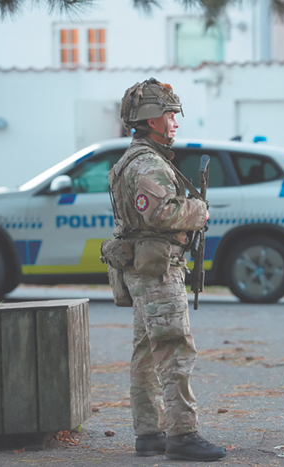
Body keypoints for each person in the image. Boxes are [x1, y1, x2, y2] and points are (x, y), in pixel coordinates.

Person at [106, 78, 226, 462]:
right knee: (174, 349)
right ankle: (183, 435)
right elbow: (160, 213)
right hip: (157, 271)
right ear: (150, 119)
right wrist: (200, 211)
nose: (175, 121)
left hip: (144, 269)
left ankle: (149, 434)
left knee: (145, 351)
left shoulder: (136, 159)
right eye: (170, 114)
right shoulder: (146, 163)